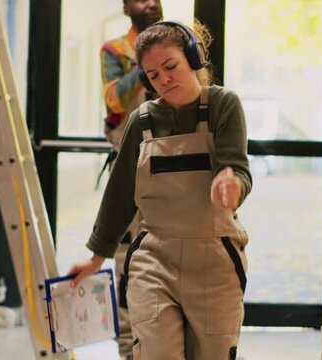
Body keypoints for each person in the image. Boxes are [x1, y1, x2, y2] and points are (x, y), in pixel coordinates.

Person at [70, 20, 251, 360]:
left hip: (215, 259)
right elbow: (120, 194)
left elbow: (237, 168)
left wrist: (232, 185)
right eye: (153, 75)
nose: (164, 79)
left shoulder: (223, 105)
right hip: (154, 259)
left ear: (194, 59)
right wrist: (96, 259)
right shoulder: (142, 121)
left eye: (170, 66)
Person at [98, 1, 162, 359]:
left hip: (171, 168)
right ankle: (128, 349)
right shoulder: (115, 51)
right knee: (127, 259)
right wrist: (147, 59)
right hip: (128, 168)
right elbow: (114, 98)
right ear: (126, 8)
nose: (151, 3)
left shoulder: (177, 45)